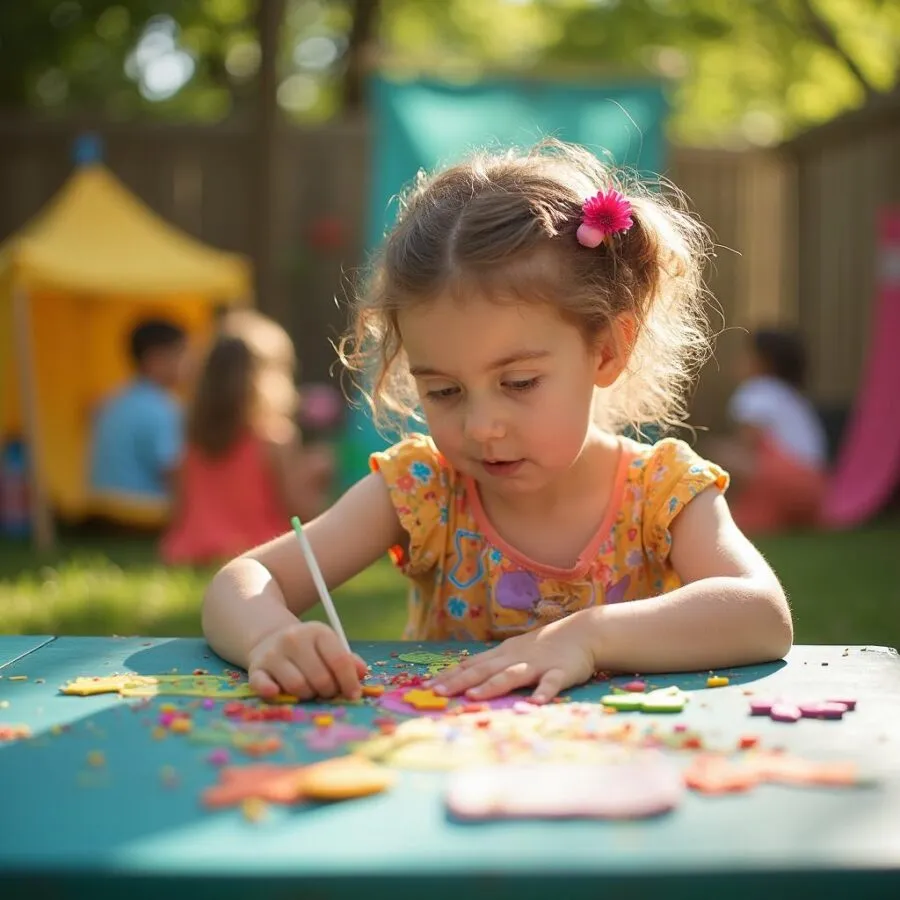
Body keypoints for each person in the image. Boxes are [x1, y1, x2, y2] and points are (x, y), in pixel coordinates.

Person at [202, 139, 793, 704]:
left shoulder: (662, 493)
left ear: (608, 350)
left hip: (617, 782)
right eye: (444, 391)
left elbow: (761, 614)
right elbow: (243, 580)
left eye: (518, 383)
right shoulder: (423, 488)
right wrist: (270, 637)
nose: (482, 425)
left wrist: (586, 636)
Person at [160, 309, 334, 565]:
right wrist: (316, 476)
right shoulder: (275, 438)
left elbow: (179, 505)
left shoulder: (193, 438)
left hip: (189, 550)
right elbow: (299, 510)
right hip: (259, 548)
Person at [717, 328, 828, 534]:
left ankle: (730, 511)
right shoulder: (794, 397)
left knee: (720, 455)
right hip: (816, 491)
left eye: (746, 354)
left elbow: (747, 445)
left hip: (785, 481)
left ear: (763, 361)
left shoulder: (756, 390)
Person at [89, 319, 187, 515]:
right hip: (143, 515)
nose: (189, 363)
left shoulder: (113, 400)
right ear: (155, 359)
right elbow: (176, 475)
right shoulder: (162, 407)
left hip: (103, 511)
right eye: (181, 354)